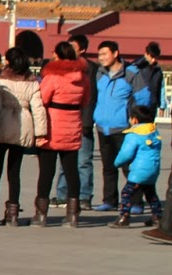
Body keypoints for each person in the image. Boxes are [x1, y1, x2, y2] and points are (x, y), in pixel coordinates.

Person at [0, 48, 47, 227]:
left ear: (9, 61)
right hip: (23, 125)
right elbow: (38, 109)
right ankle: (13, 213)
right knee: (14, 172)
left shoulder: (0, 80)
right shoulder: (32, 81)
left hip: (2, 125)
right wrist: (40, 133)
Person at [35, 41, 87, 228]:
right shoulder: (83, 78)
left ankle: (41, 214)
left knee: (46, 172)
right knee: (72, 171)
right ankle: (72, 214)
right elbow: (85, 100)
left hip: (53, 126)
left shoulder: (53, 77)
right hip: (73, 125)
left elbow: (42, 99)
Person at [53, 32, 100, 207]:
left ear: (83, 50)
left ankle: (84, 196)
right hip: (66, 121)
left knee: (83, 161)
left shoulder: (90, 69)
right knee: (65, 160)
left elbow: (91, 97)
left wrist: (87, 122)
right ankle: (62, 194)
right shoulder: (64, 67)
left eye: (74, 47)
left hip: (82, 120)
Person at [92, 40, 135, 212]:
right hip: (103, 127)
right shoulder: (99, 74)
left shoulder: (130, 74)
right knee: (108, 167)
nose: (101, 58)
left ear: (115, 53)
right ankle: (109, 200)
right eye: (99, 55)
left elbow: (141, 98)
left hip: (123, 128)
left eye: (104, 54)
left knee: (128, 167)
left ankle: (135, 202)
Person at [107, 105, 161, 229]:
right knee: (151, 194)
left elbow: (126, 154)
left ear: (135, 120)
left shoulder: (134, 135)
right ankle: (157, 216)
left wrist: (116, 163)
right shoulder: (154, 132)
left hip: (139, 171)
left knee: (127, 193)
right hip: (153, 170)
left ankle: (124, 217)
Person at [128, 42, 164, 115]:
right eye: (152, 57)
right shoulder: (136, 66)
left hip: (152, 106)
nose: (153, 60)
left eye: (155, 58)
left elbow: (161, 88)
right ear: (146, 54)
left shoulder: (158, 71)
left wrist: (162, 105)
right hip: (137, 105)